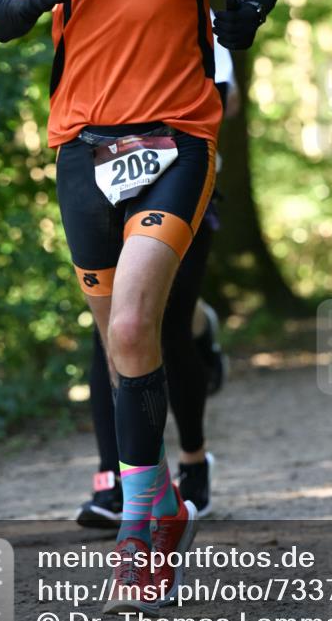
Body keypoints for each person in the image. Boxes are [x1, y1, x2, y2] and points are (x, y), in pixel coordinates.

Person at [0, 0, 280, 612]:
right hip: (82, 145)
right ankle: (157, 502)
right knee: (125, 350)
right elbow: (2, 16)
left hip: (180, 135)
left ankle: (135, 529)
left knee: (128, 325)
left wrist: (245, 17)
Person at [77, 30, 237, 529]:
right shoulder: (93, 12)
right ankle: (117, 478)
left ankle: (193, 459)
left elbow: (223, 99)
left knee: (165, 326)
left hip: (183, 183)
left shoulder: (193, 8)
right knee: (111, 330)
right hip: (107, 186)